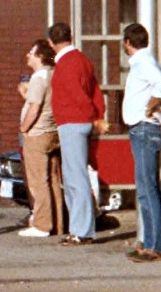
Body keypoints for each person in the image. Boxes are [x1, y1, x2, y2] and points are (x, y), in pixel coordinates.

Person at [48, 21, 106, 245]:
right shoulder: (82, 60)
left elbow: (76, 95)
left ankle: (82, 231)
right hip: (81, 122)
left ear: (52, 43)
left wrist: (90, 115)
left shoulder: (65, 64)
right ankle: (79, 228)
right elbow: (95, 92)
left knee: (75, 177)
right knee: (74, 175)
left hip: (72, 121)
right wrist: (96, 116)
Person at [121, 23, 161, 262]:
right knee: (144, 189)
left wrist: (152, 105)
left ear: (128, 43)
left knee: (147, 188)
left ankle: (155, 246)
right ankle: (148, 243)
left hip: (144, 129)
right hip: (140, 129)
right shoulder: (142, 62)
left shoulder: (143, 62)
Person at [18, 39, 63, 237]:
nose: (28, 55)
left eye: (31, 52)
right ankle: (59, 224)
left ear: (40, 56)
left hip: (37, 133)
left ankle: (42, 225)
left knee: (38, 181)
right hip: (53, 131)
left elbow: (35, 106)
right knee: (53, 180)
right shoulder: (54, 75)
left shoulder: (38, 78)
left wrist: (24, 128)